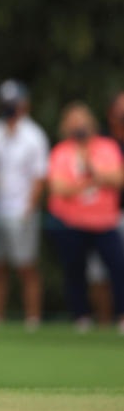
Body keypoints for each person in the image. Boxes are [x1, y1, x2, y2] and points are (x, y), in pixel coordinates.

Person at [46, 102, 124, 333]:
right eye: (73, 122)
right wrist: (93, 180)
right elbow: (59, 188)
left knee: (118, 267)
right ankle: (81, 317)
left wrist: (92, 173)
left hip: (104, 222)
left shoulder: (107, 147)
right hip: (71, 223)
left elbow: (118, 178)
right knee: (75, 271)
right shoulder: (61, 151)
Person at [0, 80, 48, 329]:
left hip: (21, 211)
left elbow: (40, 177)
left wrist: (28, 209)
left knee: (26, 266)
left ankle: (33, 318)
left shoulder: (34, 136)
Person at [87, 91, 124, 325]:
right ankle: (104, 322)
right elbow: (89, 174)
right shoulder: (100, 140)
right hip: (103, 215)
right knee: (98, 273)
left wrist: (107, 176)